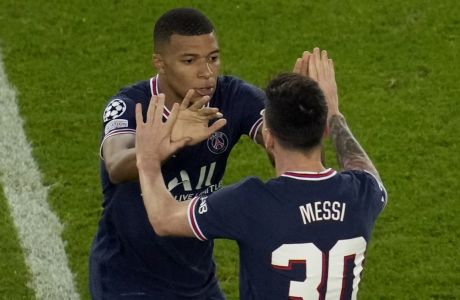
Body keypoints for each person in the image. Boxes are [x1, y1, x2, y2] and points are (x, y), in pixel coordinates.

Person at [135, 48, 388, 300]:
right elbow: (364, 169)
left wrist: (148, 159)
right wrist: (333, 113)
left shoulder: (251, 202)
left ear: (268, 138)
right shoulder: (361, 195)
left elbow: (163, 219)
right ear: (324, 131)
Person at [89, 7, 271, 299]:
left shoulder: (233, 97)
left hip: (197, 280)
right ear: (160, 63)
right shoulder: (130, 104)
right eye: (189, 61)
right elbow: (116, 163)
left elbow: (283, 142)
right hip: (128, 281)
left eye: (213, 58)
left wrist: (299, 114)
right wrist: (167, 140)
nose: (207, 73)